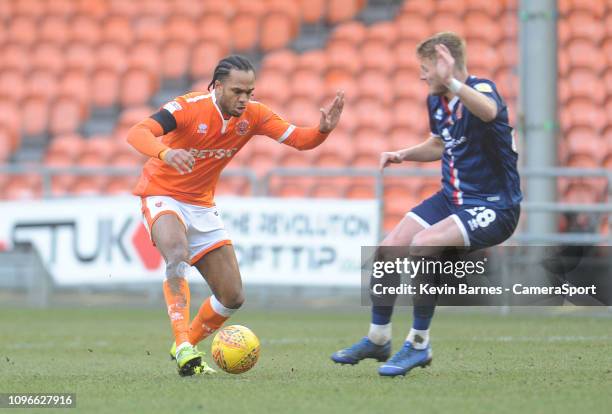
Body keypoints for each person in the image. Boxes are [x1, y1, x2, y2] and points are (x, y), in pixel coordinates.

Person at [127, 55, 344, 376]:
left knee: (232, 296)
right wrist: (167, 152)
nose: (244, 99)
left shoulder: (254, 115)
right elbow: (138, 132)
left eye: (249, 92)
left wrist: (322, 131)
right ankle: (184, 345)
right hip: (162, 193)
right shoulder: (188, 108)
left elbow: (300, 139)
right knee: (177, 253)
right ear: (216, 87)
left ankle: (183, 344)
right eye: (237, 92)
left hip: (201, 204)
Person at [331, 32, 522, 377]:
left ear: (445, 63)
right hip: (452, 199)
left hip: (494, 205)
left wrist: (452, 80)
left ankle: (419, 343)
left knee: (424, 245)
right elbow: (439, 143)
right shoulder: (436, 100)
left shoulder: (481, 90)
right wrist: (405, 154)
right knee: (388, 249)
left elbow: (490, 112)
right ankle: (378, 338)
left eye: (426, 69)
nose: (422, 76)